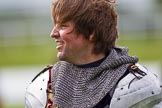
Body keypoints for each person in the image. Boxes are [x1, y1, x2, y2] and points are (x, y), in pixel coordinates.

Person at [25, 0, 162, 108]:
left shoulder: (137, 86)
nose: (53, 34)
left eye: (63, 26)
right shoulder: (44, 85)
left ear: (91, 33)